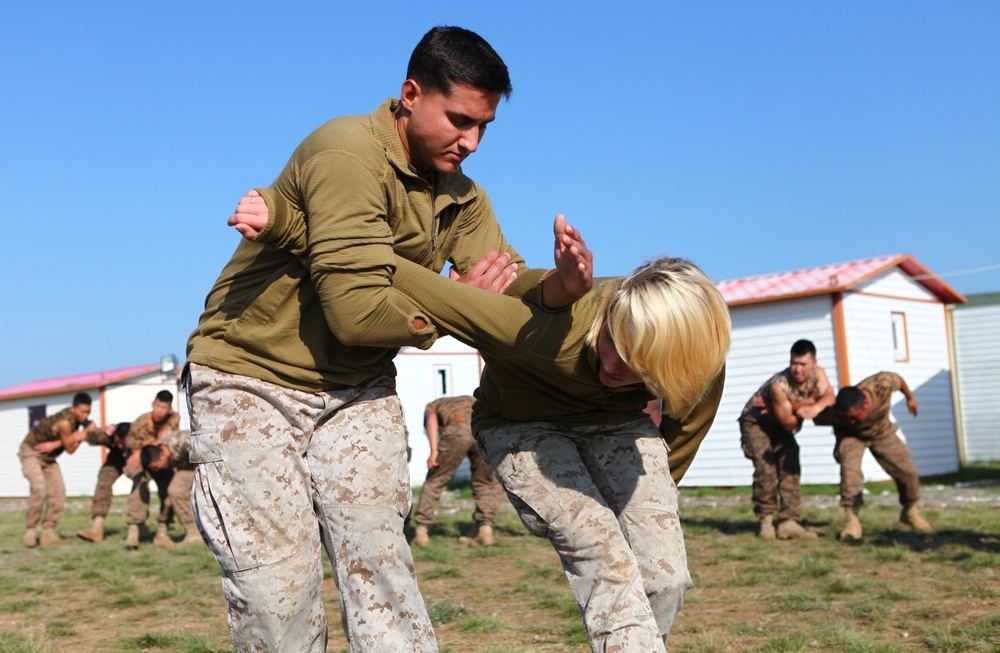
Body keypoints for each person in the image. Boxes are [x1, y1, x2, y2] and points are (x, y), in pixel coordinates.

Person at [187, 26, 590, 652]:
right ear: (410, 95)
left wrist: (560, 287)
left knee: (383, 575)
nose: (473, 142)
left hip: (356, 388)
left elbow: (500, 280)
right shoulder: (346, 153)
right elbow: (357, 314)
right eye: (460, 120)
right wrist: (460, 308)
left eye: (484, 127)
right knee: (277, 596)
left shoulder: (460, 193)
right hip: (251, 381)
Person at [233, 199, 730, 650]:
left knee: (663, 576)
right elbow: (415, 282)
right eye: (615, 346)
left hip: (617, 428)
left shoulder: (694, 360)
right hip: (525, 426)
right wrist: (291, 224)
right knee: (602, 552)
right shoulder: (544, 330)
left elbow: (682, 433)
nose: (618, 368)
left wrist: (647, 503)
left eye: (638, 368)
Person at [813, 372, 933, 540]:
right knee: (850, 472)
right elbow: (810, 413)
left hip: (881, 432)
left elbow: (899, 380)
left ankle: (910, 511)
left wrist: (910, 398)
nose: (852, 421)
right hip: (850, 437)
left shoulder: (880, 385)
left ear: (865, 404)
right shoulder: (836, 414)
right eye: (848, 418)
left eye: (855, 418)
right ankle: (852, 522)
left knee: (908, 471)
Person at [738, 340, 835, 540]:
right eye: (794, 363)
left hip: (780, 422)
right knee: (766, 467)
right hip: (757, 423)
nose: (798, 369)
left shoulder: (818, 375)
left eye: (803, 364)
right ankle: (765, 521)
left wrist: (815, 408)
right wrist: (808, 402)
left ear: (813, 364)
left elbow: (830, 397)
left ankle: (789, 522)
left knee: (790, 461)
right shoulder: (778, 386)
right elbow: (788, 424)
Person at [19, 392, 113, 547]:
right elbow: (70, 448)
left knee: (59, 492)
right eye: (82, 411)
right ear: (72, 409)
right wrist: (83, 434)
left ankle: (48, 532)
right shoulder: (64, 422)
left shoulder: (81, 421)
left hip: (49, 459)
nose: (85, 415)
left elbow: (81, 438)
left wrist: (100, 430)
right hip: (31, 452)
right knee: (39, 488)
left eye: (88, 411)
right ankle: (30, 530)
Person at [412, 395, 503, 547]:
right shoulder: (470, 399)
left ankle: (421, 532)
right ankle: (485, 530)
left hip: (456, 431)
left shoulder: (432, 406)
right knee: (486, 482)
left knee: (436, 480)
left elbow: (431, 421)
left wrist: (434, 450)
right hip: (483, 431)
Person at [121, 390, 180, 549]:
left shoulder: (174, 418)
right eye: (157, 406)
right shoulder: (140, 423)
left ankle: (162, 531)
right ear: (153, 405)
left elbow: (168, 436)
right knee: (139, 488)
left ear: (170, 409)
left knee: (170, 491)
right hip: (142, 458)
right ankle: (133, 531)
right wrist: (153, 443)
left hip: (161, 459)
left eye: (164, 407)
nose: (159, 411)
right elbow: (135, 454)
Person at [139, 430, 201, 547]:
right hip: (188, 467)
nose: (156, 470)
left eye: (156, 467)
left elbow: (206, 450)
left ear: (162, 455)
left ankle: (194, 533)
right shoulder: (162, 454)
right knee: (169, 494)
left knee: (175, 490)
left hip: (201, 465)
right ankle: (162, 532)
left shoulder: (183, 441)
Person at [76, 421, 132, 542]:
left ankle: (138, 527)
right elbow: (88, 435)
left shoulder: (139, 435)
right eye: (118, 443)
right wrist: (101, 429)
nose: (121, 446)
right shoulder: (108, 435)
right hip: (115, 460)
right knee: (104, 482)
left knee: (141, 484)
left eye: (124, 443)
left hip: (136, 457)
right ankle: (97, 528)